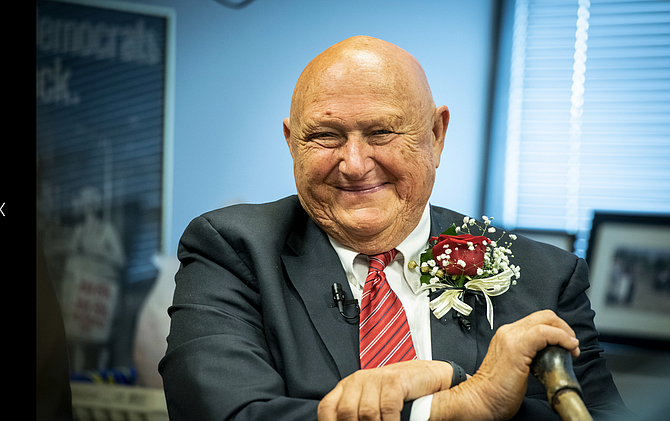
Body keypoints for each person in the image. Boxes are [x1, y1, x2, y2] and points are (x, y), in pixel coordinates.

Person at [159, 36, 630, 421]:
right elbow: (226, 413)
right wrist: (464, 403)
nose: (354, 164)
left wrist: (453, 387)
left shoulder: (545, 278)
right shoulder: (231, 250)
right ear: (291, 141)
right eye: (326, 136)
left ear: (436, 134)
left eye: (382, 132)